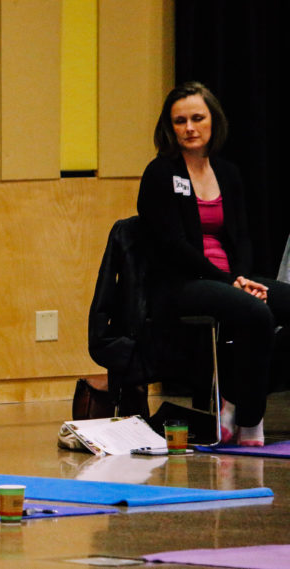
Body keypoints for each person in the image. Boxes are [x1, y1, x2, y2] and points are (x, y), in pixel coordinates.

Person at [137, 81, 290, 446]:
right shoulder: (161, 173)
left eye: (197, 118)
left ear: (212, 122)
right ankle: (251, 421)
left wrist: (243, 278)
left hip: (230, 280)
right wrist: (229, 282)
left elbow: (242, 237)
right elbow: (172, 246)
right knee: (256, 314)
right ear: (169, 128)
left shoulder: (228, 172)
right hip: (181, 284)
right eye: (179, 121)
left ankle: (239, 393)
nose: (189, 128)